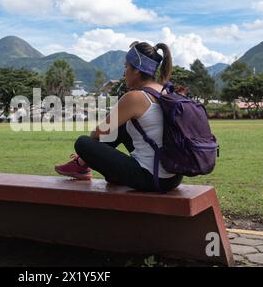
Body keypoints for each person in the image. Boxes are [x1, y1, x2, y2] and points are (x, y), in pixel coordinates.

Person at [54, 41, 183, 192]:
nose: (124, 73)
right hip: (174, 176)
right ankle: (82, 164)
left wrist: (90, 151)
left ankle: (82, 164)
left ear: (136, 70)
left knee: (83, 143)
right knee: (124, 126)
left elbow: (96, 134)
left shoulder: (135, 97)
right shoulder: (166, 91)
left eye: (126, 66)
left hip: (153, 178)